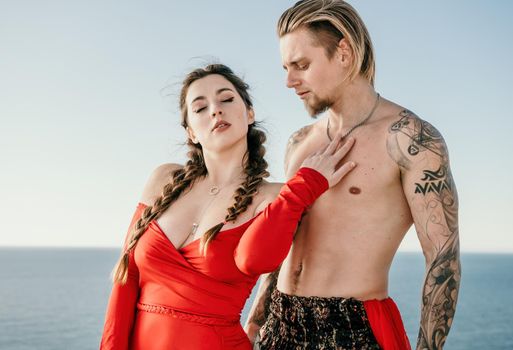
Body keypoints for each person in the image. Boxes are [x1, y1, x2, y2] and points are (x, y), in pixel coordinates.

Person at [245, 1, 461, 349]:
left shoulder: (411, 140)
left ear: (344, 52)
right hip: (280, 324)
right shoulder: (300, 142)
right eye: (286, 67)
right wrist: (255, 323)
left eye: (301, 65)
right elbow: (285, 238)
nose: (288, 81)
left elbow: (443, 260)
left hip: (352, 329)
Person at [99, 63, 357, 349]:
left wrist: (305, 186)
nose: (215, 110)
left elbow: (256, 260)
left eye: (226, 99)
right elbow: (126, 279)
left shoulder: (275, 196)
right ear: (191, 133)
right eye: (200, 108)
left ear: (249, 114)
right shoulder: (164, 180)